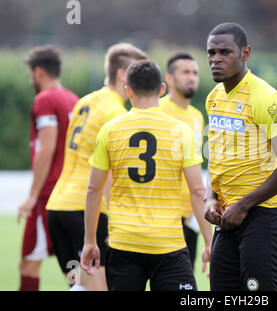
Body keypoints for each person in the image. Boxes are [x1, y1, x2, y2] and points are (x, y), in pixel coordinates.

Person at [80, 60, 212, 291]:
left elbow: (93, 189)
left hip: (124, 243)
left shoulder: (110, 130)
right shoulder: (181, 131)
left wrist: (90, 241)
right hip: (168, 243)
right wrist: (209, 241)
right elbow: (197, 190)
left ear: (127, 90)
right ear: (162, 89)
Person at [204, 22, 277, 291]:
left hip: (266, 217)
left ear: (245, 53)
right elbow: (217, 157)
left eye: (225, 52)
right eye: (211, 52)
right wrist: (210, 197)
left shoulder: (264, 97)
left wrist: (245, 204)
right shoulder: (213, 97)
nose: (216, 59)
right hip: (229, 218)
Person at [45, 43, 147, 290]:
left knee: (79, 286)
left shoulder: (85, 101)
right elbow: (110, 171)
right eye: (137, 73)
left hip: (57, 208)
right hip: (85, 212)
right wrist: (120, 218)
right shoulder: (115, 113)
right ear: (122, 74)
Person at [17, 45, 78, 291]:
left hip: (48, 194)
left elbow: (47, 146)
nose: (30, 78)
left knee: (28, 264)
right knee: (75, 271)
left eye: (30, 73)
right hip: (71, 194)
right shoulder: (73, 98)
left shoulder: (44, 98)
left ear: (39, 72)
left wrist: (32, 196)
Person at [160, 53, 204, 269]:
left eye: (195, 73)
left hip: (188, 218)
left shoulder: (197, 116)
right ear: (169, 78)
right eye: (185, 72)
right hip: (160, 216)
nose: (192, 77)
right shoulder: (156, 110)